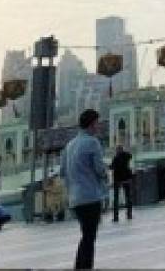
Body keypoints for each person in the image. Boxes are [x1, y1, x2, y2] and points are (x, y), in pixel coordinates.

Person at [60, 109, 108, 270]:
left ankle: (80, 267)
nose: (98, 127)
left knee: (86, 236)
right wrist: (104, 174)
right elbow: (100, 169)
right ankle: (84, 267)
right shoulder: (92, 142)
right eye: (97, 123)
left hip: (75, 198)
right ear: (92, 124)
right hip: (90, 196)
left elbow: (62, 172)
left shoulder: (69, 145)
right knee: (89, 237)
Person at [109, 144, 133, 222]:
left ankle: (116, 217)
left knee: (116, 198)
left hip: (117, 180)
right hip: (126, 179)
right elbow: (130, 156)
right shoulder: (127, 156)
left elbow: (111, 167)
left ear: (117, 150)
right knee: (128, 197)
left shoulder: (115, 158)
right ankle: (129, 214)